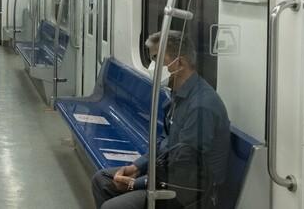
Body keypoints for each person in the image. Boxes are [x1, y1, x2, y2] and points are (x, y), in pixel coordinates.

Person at [91, 31, 230, 209]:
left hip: (190, 190)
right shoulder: (177, 96)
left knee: (113, 207)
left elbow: (183, 167)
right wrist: (137, 167)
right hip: (169, 173)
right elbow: (165, 143)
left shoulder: (201, 106)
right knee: (101, 180)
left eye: (157, 59)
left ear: (179, 63)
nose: (152, 66)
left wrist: (136, 183)